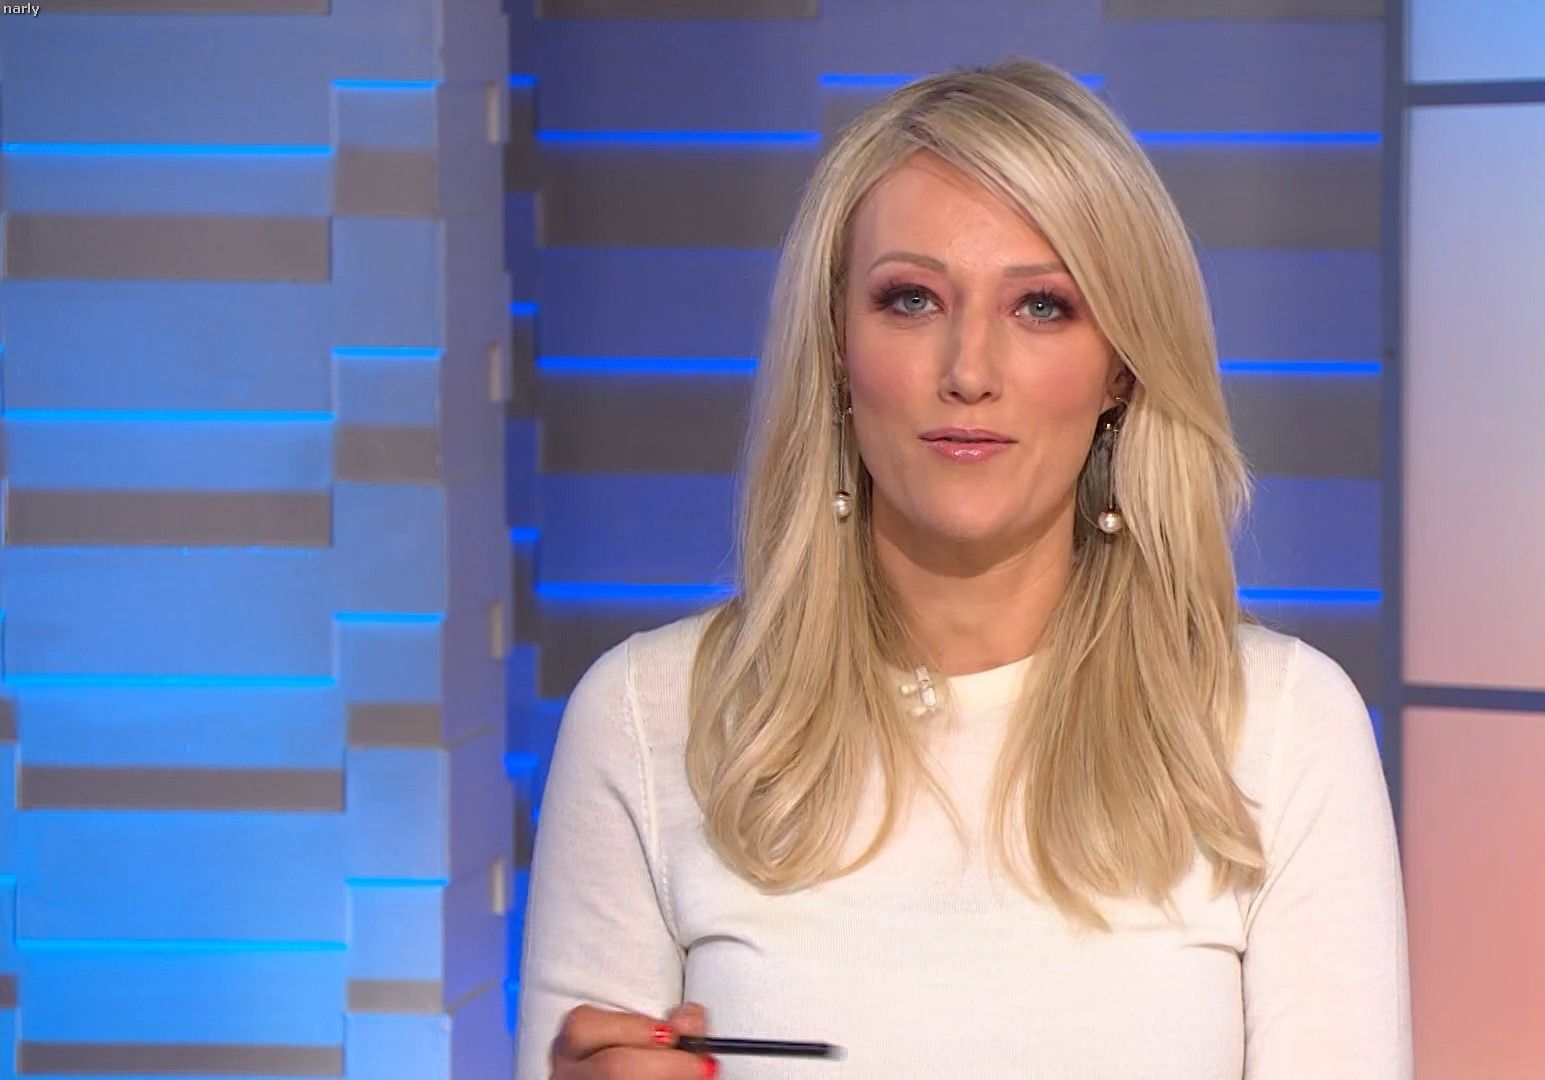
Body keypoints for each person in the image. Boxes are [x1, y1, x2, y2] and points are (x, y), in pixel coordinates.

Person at [513, 56, 1410, 1080]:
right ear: (836, 345)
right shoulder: (649, 719)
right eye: (911, 300)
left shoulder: (1282, 728)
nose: (969, 371)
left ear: (1121, 367)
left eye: (1041, 307)